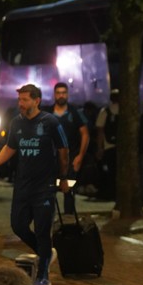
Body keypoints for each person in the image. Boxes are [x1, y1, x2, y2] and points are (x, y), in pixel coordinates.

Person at [0, 84, 70, 285]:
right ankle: (45, 253)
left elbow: (63, 149)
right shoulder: (16, 123)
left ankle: (43, 274)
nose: (20, 104)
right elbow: (10, 147)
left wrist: (63, 177)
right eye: (19, 100)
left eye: (24, 100)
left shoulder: (50, 122)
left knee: (42, 229)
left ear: (36, 100)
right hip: (23, 185)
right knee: (18, 225)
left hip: (44, 187)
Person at [48, 82, 90, 214]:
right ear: (54, 95)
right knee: (49, 192)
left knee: (69, 192)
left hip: (70, 158)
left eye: (63, 93)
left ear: (67, 94)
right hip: (51, 159)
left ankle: (69, 222)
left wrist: (80, 156)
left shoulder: (74, 112)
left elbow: (85, 134)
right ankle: (47, 223)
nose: (61, 95)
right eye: (58, 93)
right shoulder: (47, 113)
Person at [95, 89, 120, 200]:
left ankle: (110, 193)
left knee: (110, 172)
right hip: (121, 148)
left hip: (108, 146)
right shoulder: (126, 110)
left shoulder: (105, 111)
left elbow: (100, 131)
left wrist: (100, 148)